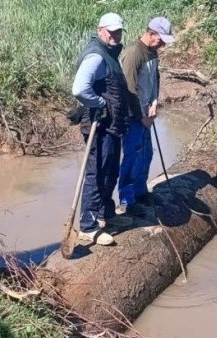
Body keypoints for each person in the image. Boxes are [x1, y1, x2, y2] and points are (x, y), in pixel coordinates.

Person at [71, 12, 133, 245]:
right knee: (96, 174)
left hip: (111, 124)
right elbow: (79, 89)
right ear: (100, 30)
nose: (115, 35)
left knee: (110, 171)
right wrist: (99, 103)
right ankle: (87, 226)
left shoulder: (109, 53)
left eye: (118, 32)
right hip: (99, 124)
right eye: (111, 32)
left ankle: (105, 214)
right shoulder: (96, 56)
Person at [117, 17, 175, 214]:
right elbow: (128, 90)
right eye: (160, 40)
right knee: (132, 156)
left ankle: (140, 192)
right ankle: (126, 198)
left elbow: (155, 78)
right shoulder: (134, 53)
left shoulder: (152, 52)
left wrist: (154, 103)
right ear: (151, 34)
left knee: (147, 153)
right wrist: (142, 116)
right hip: (133, 115)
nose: (162, 45)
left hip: (145, 113)